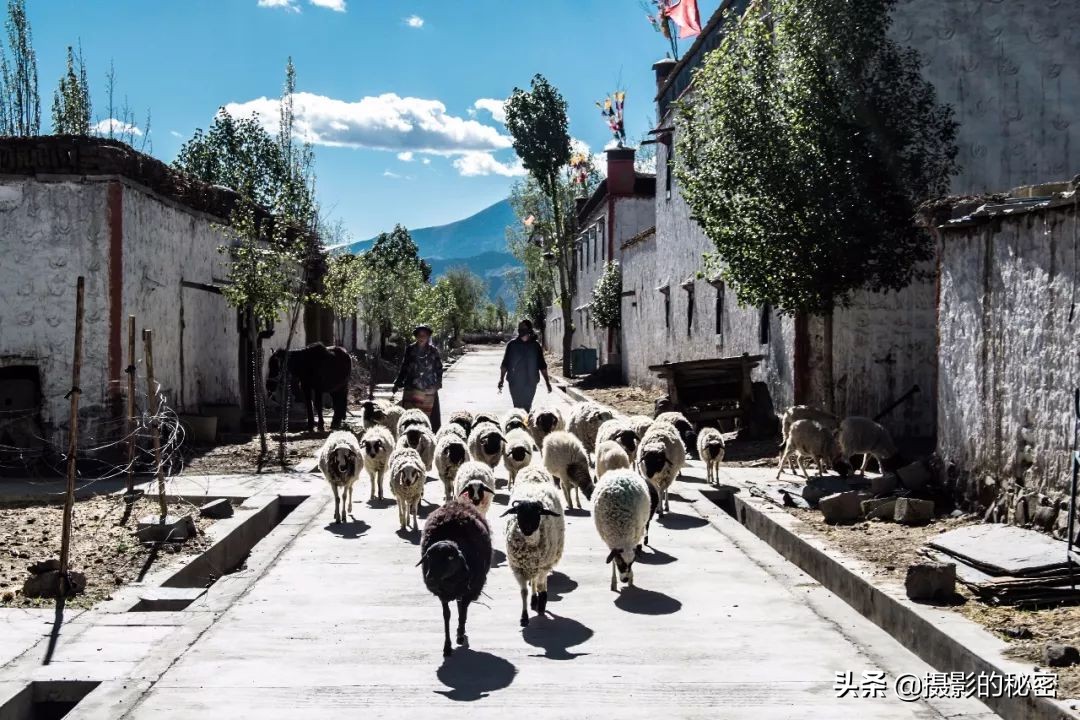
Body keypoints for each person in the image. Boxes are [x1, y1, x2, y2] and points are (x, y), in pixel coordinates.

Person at [393, 324, 443, 432]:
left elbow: (439, 369)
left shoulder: (433, 351)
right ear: (416, 336)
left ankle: (430, 439)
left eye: (424, 335)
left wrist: (437, 386)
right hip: (412, 388)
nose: (422, 337)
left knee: (430, 420)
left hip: (429, 389)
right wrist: (398, 382)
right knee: (410, 416)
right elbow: (404, 366)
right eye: (419, 335)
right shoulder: (410, 349)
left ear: (428, 336)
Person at [498, 319, 553, 412]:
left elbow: (542, 365)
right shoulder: (512, 345)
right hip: (515, 381)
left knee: (527, 407)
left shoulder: (535, 346)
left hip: (531, 382)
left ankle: (525, 424)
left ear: (529, 329)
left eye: (523, 328)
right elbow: (505, 363)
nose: (520, 330)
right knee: (517, 407)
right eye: (519, 328)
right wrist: (501, 379)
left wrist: (547, 382)